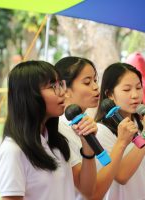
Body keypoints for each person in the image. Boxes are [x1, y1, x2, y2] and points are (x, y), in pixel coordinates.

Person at [0, 60, 97, 200]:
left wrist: (88, 148)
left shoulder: (57, 141)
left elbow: (88, 191)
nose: (62, 92)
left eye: (60, 84)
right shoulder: (13, 150)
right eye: (52, 86)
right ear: (29, 95)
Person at [55, 56, 137, 200]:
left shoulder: (87, 124)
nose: (95, 87)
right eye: (87, 82)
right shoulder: (61, 130)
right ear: (64, 88)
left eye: (95, 80)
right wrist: (122, 142)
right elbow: (93, 194)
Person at [95, 62, 145, 200]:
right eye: (127, 90)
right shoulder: (101, 132)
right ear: (109, 94)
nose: (135, 95)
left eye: (139, 87)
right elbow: (121, 175)